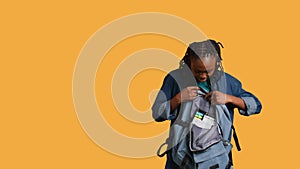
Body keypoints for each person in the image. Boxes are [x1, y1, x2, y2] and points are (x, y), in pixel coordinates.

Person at [152, 39, 262, 169]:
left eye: (209, 71)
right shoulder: (175, 79)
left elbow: (256, 105)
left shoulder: (227, 82)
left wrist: (228, 98)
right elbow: (157, 114)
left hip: (216, 160)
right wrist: (177, 99)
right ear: (188, 63)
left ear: (217, 63)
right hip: (180, 160)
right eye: (198, 71)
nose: (203, 76)